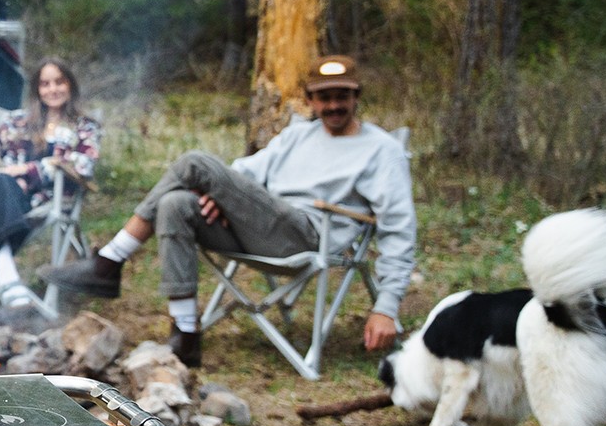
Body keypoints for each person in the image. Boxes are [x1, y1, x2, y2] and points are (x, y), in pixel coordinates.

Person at [45, 55, 414, 368]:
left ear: (356, 96)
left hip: (307, 237)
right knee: (176, 205)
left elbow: (399, 229)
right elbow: (247, 172)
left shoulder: (382, 150)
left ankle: (110, 259)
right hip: (261, 228)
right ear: (311, 100)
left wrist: (386, 306)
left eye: (342, 97)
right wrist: (222, 197)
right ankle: (186, 335)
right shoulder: (298, 135)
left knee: (195, 162)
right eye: (324, 98)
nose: (333, 105)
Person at [0, 59, 102, 326]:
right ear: (37, 89)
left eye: (59, 82)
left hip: (45, 200)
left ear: (70, 85)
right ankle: (4, 271)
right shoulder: (17, 120)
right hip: (3, 195)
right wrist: (5, 176)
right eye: (45, 84)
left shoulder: (85, 127)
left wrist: (25, 172)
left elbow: (82, 165)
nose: (53, 89)